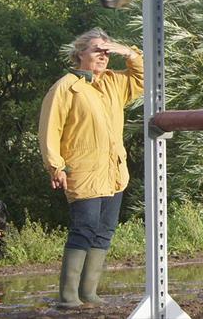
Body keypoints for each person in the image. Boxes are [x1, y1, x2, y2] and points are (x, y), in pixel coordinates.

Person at [38, 28, 143, 309]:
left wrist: (129, 53)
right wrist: (55, 166)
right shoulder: (66, 87)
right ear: (80, 53)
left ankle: (89, 293)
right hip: (83, 171)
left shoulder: (114, 83)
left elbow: (144, 78)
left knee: (105, 230)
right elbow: (50, 129)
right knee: (84, 228)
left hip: (114, 172)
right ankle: (68, 296)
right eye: (97, 50)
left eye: (107, 52)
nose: (103, 56)